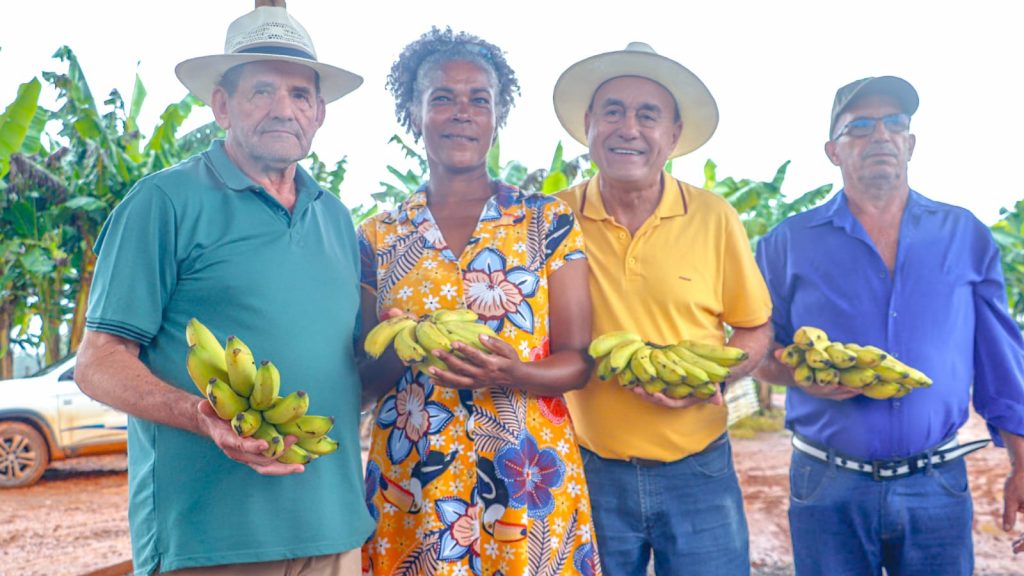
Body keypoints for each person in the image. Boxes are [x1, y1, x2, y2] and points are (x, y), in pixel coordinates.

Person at [74, 3, 373, 574]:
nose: (283, 110)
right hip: (210, 539)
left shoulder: (335, 216)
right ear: (221, 105)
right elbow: (97, 363)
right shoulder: (163, 203)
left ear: (319, 112)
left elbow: (342, 365)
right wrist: (201, 414)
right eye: (261, 90)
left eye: (300, 94)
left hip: (333, 530)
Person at [754, 76, 1024, 575]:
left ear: (910, 143)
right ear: (833, 151)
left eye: (894, 123)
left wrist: (1021, 459)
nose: (880, 135)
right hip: (826, 483)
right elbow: (761, 351)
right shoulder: (786, 243)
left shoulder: (964, 234)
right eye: (859, 126)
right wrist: (799, 375)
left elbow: (1000, 358)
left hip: (937, 482)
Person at [357, 27, 602, 576]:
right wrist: (402, 345)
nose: (462, 112)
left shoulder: (548, 223)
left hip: (527, 479)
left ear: (497, 117)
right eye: (442, 97)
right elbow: (365, 381)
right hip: (415, 484)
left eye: (479, 100)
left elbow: (579, 361)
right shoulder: (378, 236)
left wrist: (513, 372)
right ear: (414, 114)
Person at [552, 43, 773, 575]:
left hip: (699, 471)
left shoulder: (714, 217)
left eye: (648, 115)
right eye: (613, 111)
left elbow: (755, 328)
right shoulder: (553, 218)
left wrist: (714, 379)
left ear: (673, 135)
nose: (629, 128)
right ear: (588, 125)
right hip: (589, 467)